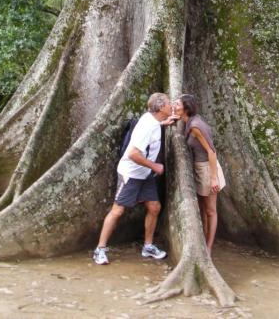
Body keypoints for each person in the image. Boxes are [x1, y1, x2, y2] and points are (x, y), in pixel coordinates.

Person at [93, 92, 177, 265]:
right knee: (118, 211)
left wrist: (163, 124)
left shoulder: (152, 120)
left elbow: (151, 129)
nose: (172, 106)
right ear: (161, 107)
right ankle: (100, 249)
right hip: (130, 174)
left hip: (144, 174)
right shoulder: (148, 125)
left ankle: (148, 246)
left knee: (154, 207)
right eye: (169, 103)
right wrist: (155, 167)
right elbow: (132, 154)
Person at [173, 94, 223, 254]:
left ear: (186, 108)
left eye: (177, 103)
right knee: (202, 208)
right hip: (199, 169)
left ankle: (208, 248)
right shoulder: (188, 121)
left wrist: (213, 179)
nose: (174, 105)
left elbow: (211, 151)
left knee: (210, 210)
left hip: (208, 169)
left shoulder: (196, 125)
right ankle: (202, 242)